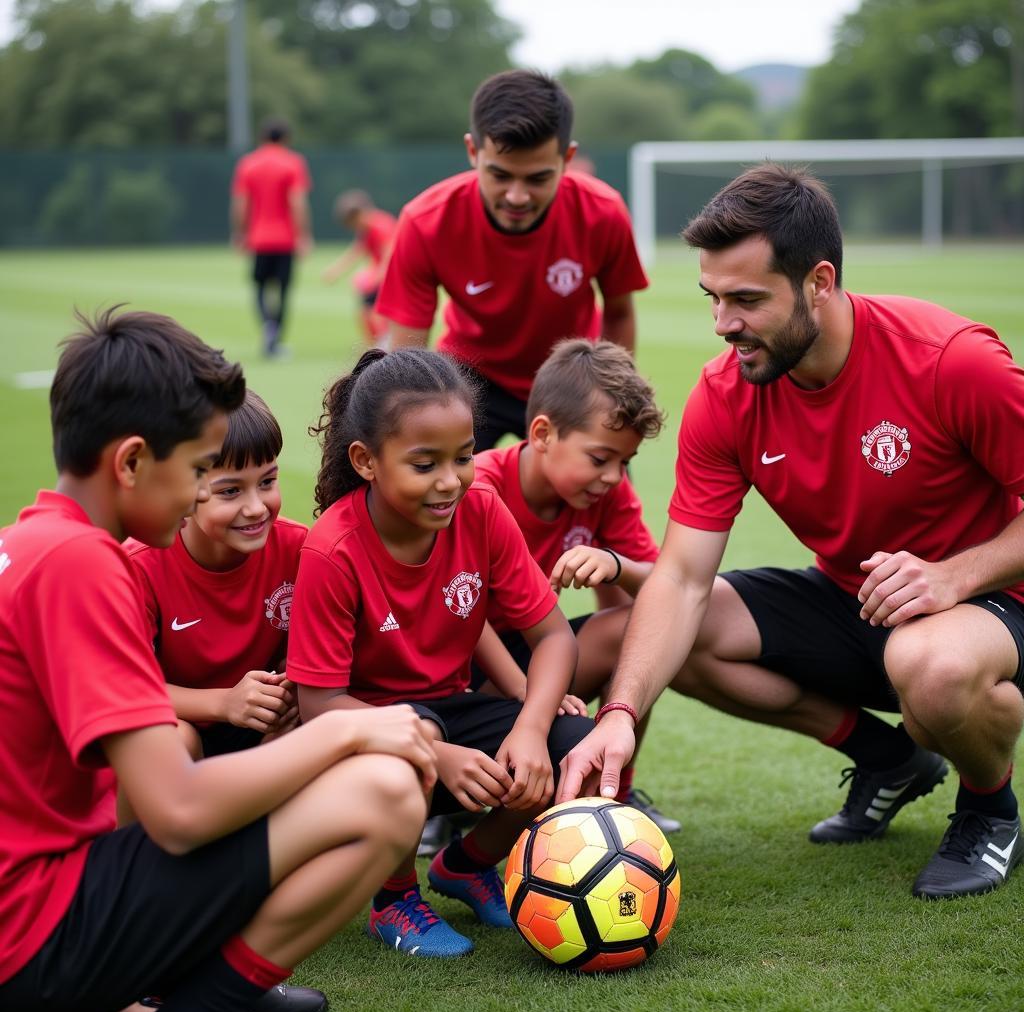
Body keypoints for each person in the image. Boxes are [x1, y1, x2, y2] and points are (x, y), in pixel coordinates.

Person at [557, 163, 1024, 901]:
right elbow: (680, 579)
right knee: (661, 631)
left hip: (988, 607)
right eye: (713, 298)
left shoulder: (949, 361)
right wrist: (621, 712)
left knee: (930, 667)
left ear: (819, 282)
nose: (723, 325)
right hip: (852, 601)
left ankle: (989, 808)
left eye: (746, 300)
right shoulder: (725, 393)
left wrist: (954, 576)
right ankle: (890, 758)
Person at [0, 308, 436, 1012]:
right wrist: (344, 733)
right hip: (32, 931)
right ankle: (200, 1009)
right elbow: (177, 812)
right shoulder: (85, 564)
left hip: (33, 904)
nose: (203, 490)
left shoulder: (31, 540)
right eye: (201, 470)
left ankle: (135, 998)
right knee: (384, 792)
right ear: (133, 462)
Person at [286, 347, 593, 957]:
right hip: (362, 737)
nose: (450, 481)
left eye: (463, 457)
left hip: (450, 707)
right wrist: (437, 752)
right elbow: (318, 702)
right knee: (413, 731)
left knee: (572, 739)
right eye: (424, 464)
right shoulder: (333, 550)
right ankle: (393, 898)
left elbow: (555, 636)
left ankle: (467, 863)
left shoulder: (480, 510)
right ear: (366, 461)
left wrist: (531, 727)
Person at [375, 69, 648, 451]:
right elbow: (407, 354)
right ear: (473, 151)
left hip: (569, 377)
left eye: (537, 179)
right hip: (469, 379)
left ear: (567, 158)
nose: (517, 196)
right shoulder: (426, 221)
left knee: (601, 493)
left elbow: (618, 313)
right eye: (500, 175)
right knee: (430, 495)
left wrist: (613, 397)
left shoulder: (603, 212)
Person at [471, 338, 678, 833]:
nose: (612, 477)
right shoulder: (479, 487)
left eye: (623, 463)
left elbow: (666, 586)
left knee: (640, 627)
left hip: (541, 660)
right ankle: (447, 809)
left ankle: (614, 795)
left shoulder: (604, 493)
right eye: (600, 457)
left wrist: (614, 564)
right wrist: (526, 691)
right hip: (465, 672)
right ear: (543, 433)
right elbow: (457, 617)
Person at [125, 390, 307, 761]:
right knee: (170, 739)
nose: (256, 507)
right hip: (179, 724)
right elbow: (125, 687)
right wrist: (224, 703)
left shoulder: (300, 549)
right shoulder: (139, 564)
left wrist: (294, 685)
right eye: (230, 491)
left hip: (261, 730)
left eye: (268, 482)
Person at [231, 117, 312, 358]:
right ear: (286, 139)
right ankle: (275, 336)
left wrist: (239, 232)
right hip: (285, 239)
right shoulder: (293, 162)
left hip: (259, 239)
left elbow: (240, 203)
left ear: (262, 137)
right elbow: (297, 202)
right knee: (284, 290)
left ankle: (267, 324)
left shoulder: (248, 164)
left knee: (260, 287)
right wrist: (304, 235)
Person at [321, 189, 398, 346]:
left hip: (392, 276)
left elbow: (389, 255)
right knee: (366, 311)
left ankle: (385, 344)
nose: (354, 227)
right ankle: (377, 346)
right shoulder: (367, 228)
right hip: (382, 276)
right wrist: (336, 270)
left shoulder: (380, 226)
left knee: (375, 311)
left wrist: (374, 278)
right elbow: (357, 251)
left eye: (352, 223)